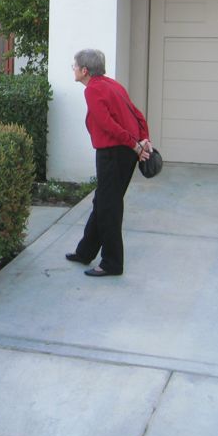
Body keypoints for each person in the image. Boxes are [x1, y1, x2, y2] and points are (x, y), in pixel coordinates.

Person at [65, 48, 152, 277]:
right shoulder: (113, 84)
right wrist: (144, 140)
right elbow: (138, 114)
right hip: (123, 153)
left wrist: (135, 144)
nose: (72, 69)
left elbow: (107, 125)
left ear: (85, 70)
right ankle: (85, 251)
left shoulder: (93, 90)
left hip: (114, 154)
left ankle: (112, 263)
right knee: (103, 202)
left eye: (74, 66)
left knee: (109, 208)